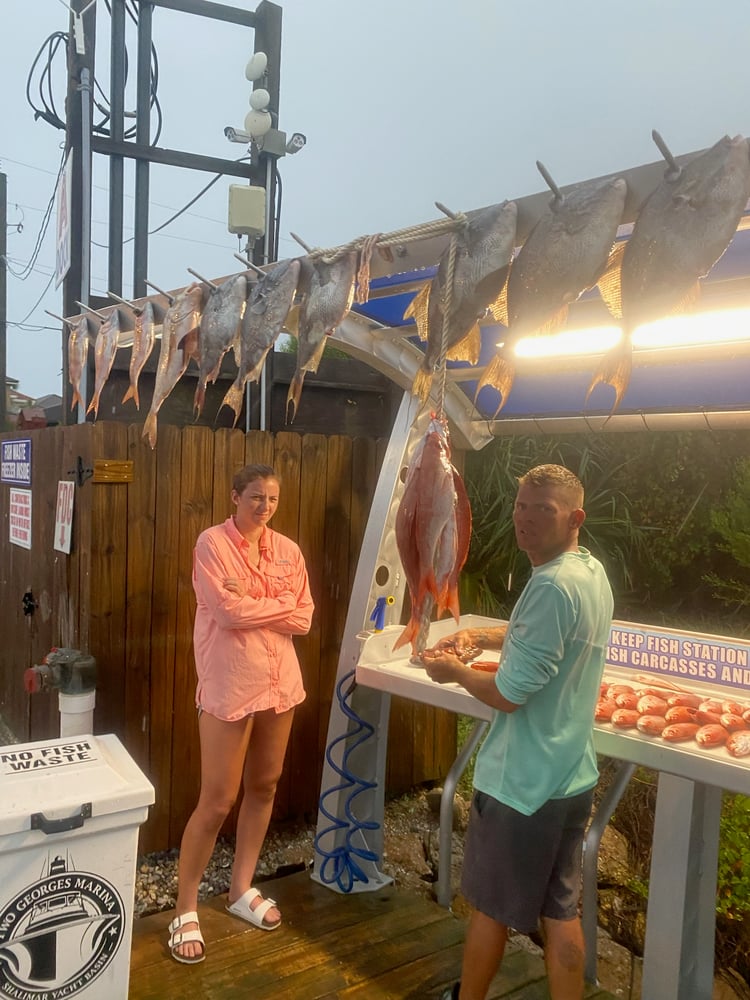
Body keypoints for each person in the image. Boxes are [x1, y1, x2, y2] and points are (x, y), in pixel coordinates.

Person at [422, 464, 614, 1000]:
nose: (525, 521)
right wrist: (480, 635)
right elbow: (541, 639)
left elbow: (508, 694)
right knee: (560, 910)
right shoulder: (588, 571)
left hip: (523, 786)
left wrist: (454, 670)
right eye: (520, 507)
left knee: (489, 909)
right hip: (571, 778)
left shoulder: (551, 585)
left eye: (543, 511)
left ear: (575, 517)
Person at [168, 463, 314, 964]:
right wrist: (272, 605)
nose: (265, 507)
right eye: (255, 497)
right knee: (216, 799)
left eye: (272, 500)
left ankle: (240, 889)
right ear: (235, 497)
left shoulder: (289, 551)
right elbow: (226, 614)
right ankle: (185, 907)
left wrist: (253, 599)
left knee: (265, 785)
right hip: (230, 686)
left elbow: (305, 615)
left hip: (280, 685)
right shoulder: (211, 544)